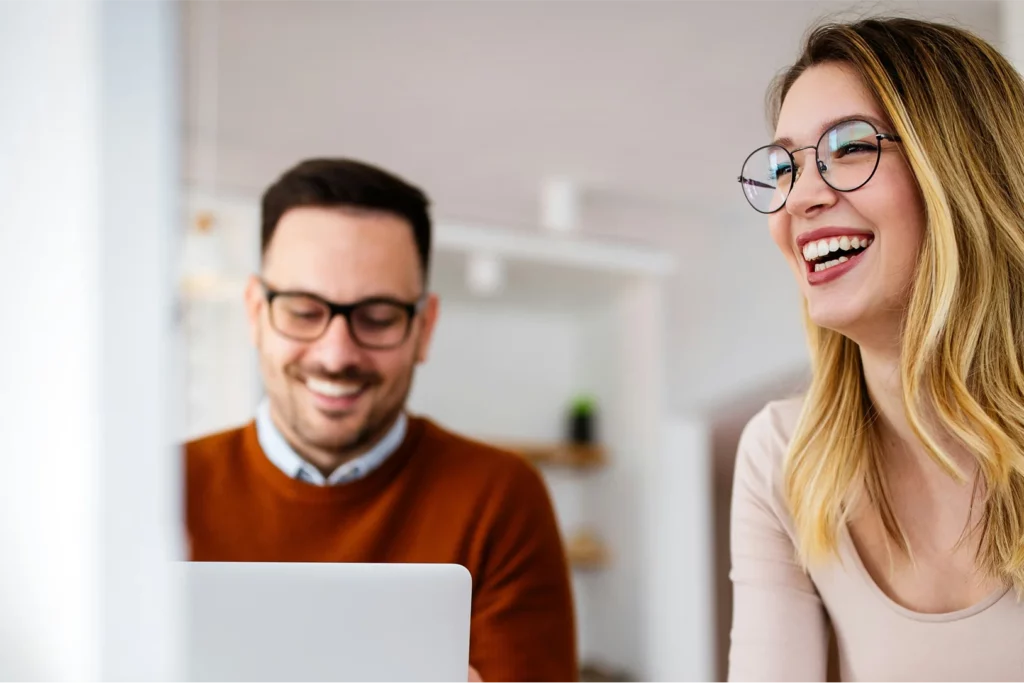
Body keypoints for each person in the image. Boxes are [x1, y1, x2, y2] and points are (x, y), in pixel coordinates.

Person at [185, 158, 577, 683]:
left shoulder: (502, 498)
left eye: (377, 317)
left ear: (424, 328)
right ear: (256, 312)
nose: (336, 354)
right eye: (304, 311)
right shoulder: (159, 487)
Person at [730, 16, 1024, 683]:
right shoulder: (784, 457)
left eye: (851, 147)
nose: (800, 197)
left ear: (962, 169)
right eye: (784, 166)